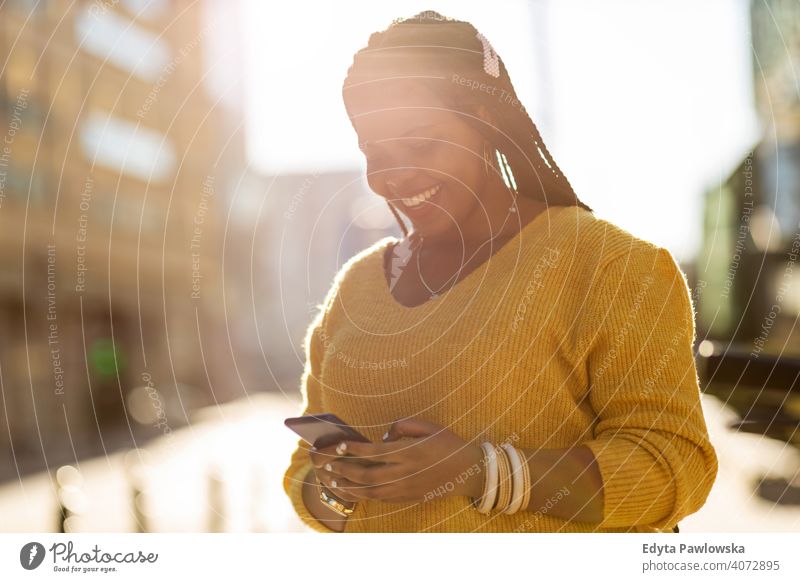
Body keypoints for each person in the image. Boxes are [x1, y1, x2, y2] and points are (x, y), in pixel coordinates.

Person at [282, 10, 718, 533]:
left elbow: (675, 467)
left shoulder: (612, 266)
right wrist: (341, 487)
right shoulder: (353, 289)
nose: (395, 176)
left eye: (421, 144)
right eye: (374, 152)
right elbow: (304, 473)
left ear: (486, 119)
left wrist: (481, 472)